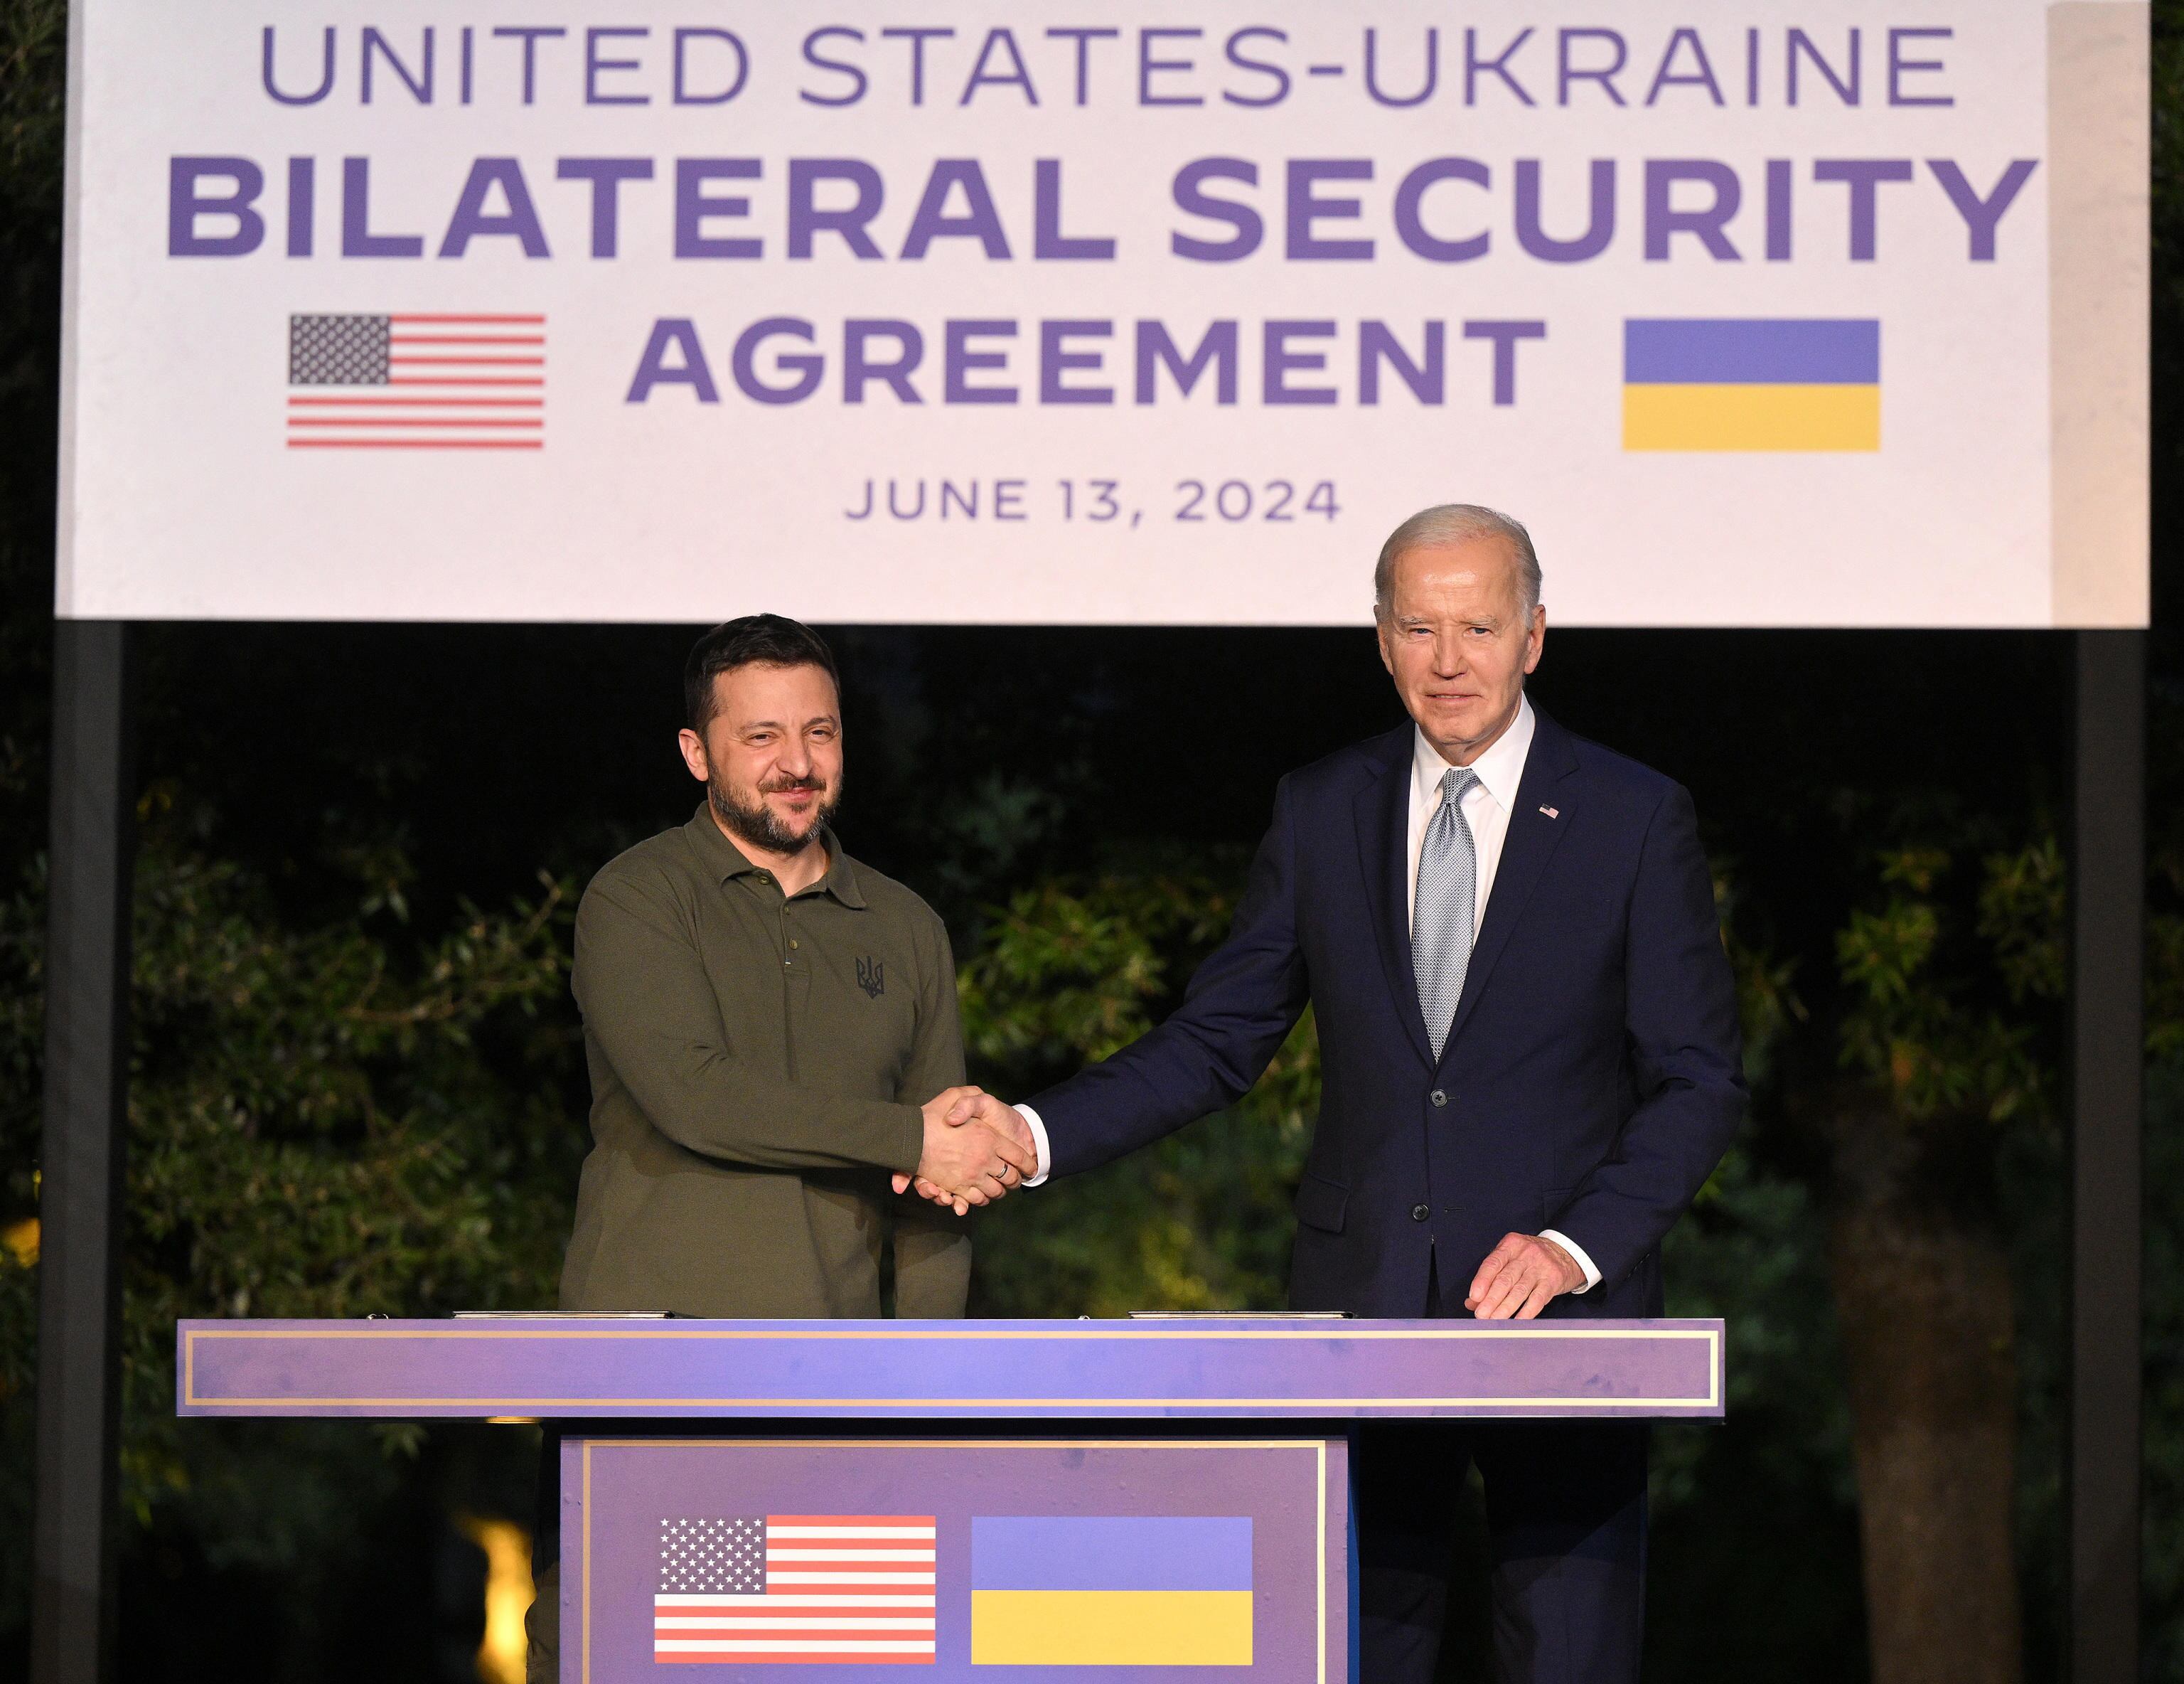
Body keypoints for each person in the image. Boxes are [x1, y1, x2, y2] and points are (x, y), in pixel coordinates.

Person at [924, 505, 1746, 1684]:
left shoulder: (1633, 815)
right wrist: (1033, 1132)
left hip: (1563, 1327)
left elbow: (1699, 1080)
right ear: (1381, 639)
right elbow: (1219, 1039)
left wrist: (1575, 1246)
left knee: (1571, 1657)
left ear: (1535, 636)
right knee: (1353, 1655)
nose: (1449, 659)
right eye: (1421, 627)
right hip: (1363, 1322)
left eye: (1479, 626)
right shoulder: (1321, 806)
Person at [528, 612, 1034, 1678]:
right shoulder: (638, 897)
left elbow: (940, 1190)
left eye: (820, 732)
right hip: (652, 1378)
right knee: (624, 1654)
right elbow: (694, 1096)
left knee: (816, 1660)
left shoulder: (904, 928)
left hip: (838, 1388)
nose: (796, 764)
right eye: (760, 737)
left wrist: (929, 1393)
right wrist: (907, 1137)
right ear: (696, 752)